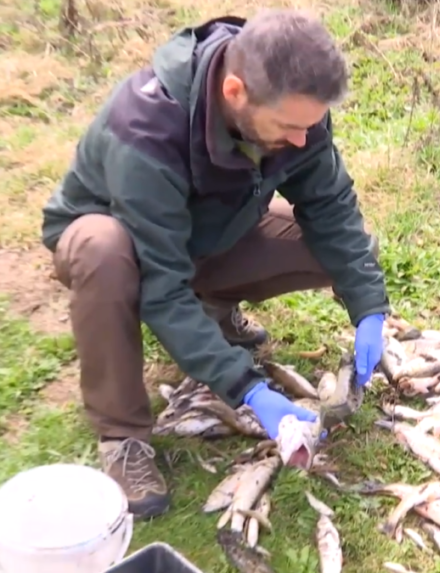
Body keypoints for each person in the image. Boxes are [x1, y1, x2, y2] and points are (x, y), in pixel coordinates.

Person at [39, 10, 391, 519]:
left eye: (308, 126)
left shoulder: (295, 108)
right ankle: (122, 436)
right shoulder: (145, 129)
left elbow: (331, 206)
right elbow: (161, 284)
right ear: (234, 93)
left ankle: (215, 309)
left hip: (209, 225)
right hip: (118, 237)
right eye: (290, 127)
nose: (301, 139)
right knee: (105, 251)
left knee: (341, 243)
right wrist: (248, 389)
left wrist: (368, 307)